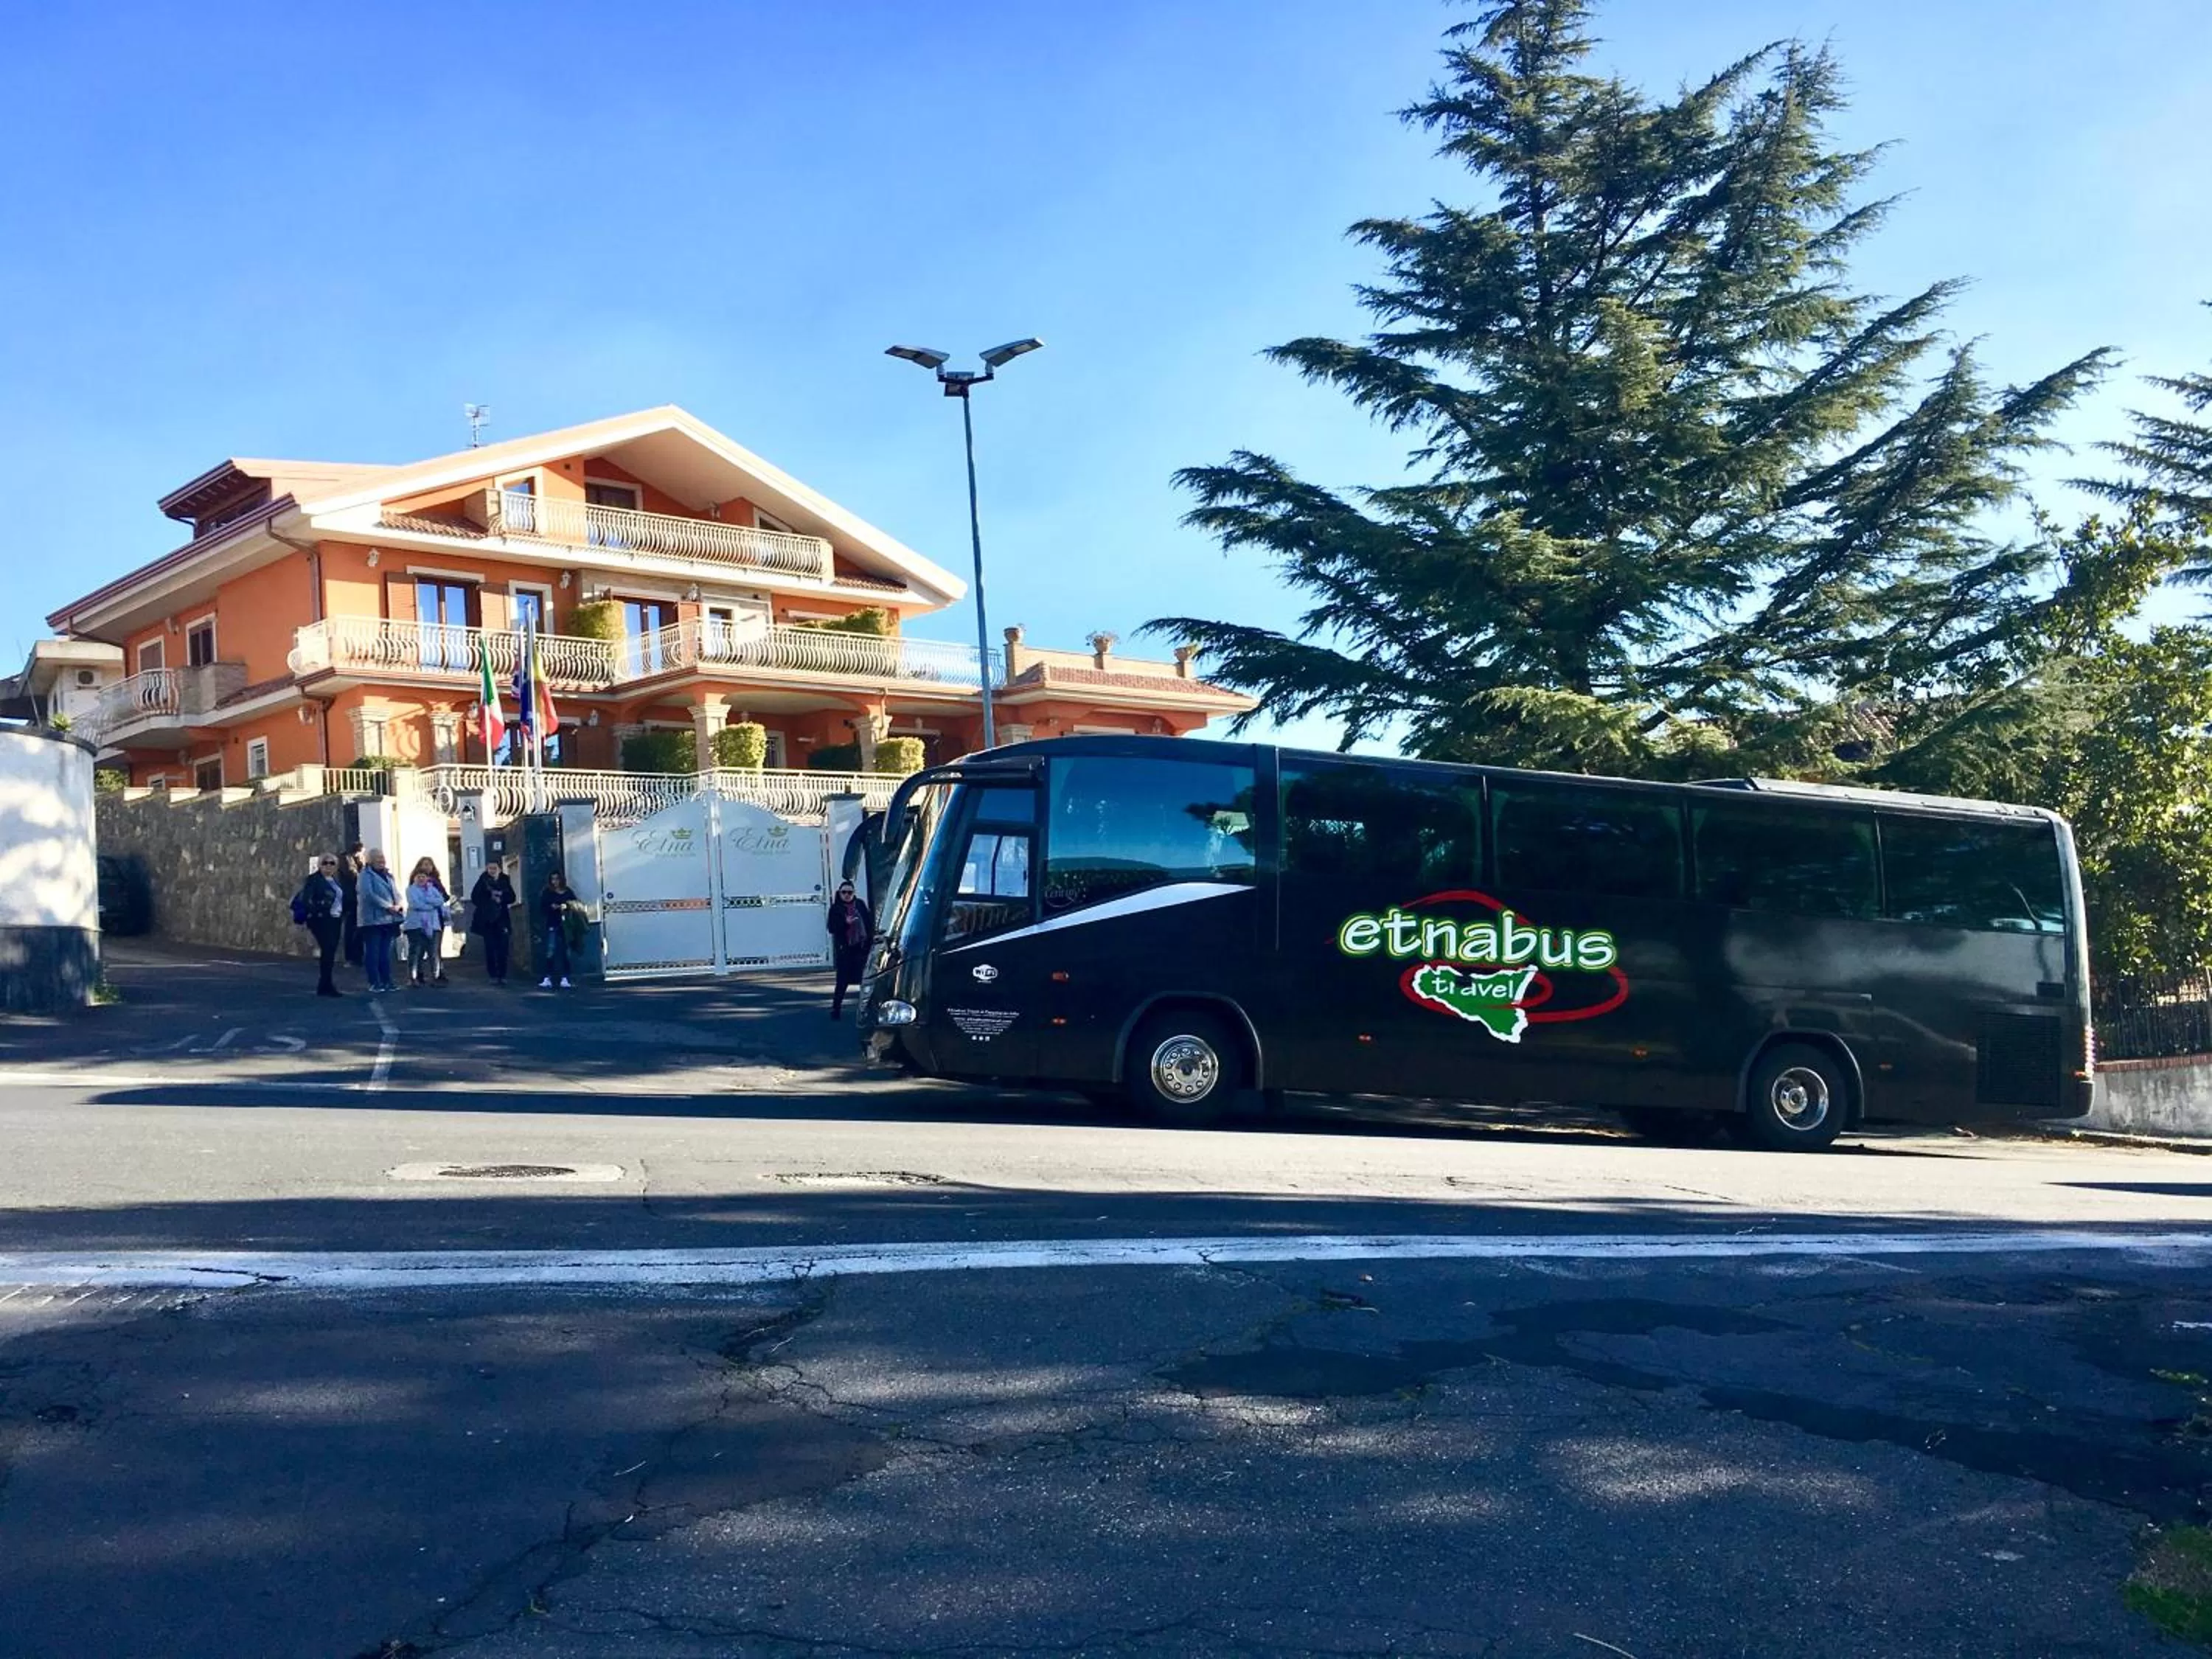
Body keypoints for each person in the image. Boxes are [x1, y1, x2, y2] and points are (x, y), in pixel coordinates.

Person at [294, 855, 345, 998]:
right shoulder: (314, 880)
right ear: (319, 865)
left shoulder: (336, 880)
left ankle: (325, 983)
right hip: (322, 919)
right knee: (327, 949)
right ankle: (326, 984)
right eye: (325, 863)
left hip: (335, 919)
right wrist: (319, 911)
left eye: (332, 863)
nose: (328, 866)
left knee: (330, 951)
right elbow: (307, 899)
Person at [356, 847, 405, 994]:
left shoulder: (388, 876)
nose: (381, 860)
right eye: (377, 858)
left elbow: (396, 892)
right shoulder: (365, 875)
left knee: (385, 953)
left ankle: (387, 981)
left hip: (389, 920)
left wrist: (399, 904)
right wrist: (387, 906)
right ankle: (374, 982)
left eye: (382, 857)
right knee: (373, 952)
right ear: (370, 860)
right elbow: (368, 895)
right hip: (373, 921)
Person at [825, 879, 874, 1020]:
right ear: (839, 893)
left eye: (849, 892)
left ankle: (867, 1008)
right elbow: (832, 928)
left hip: (861, 948)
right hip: (845, 948)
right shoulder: (836, 909)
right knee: (842, 980)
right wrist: (845, 924)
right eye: (844, 892)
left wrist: (870, 942)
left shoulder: (860, 905)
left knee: (866, 979)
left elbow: (868, 924)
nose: (847, 895)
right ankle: (836, 1009)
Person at [403, 857, 453, 988]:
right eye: (419, 876)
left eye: (424, 877)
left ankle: (436, 977)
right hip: (416, 924)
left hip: (433, 924)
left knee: (434, 951)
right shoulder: (411, 890)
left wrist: (428, 902)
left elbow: (441, 900)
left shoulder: (433, 888)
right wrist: (431, 905)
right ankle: (414, 977)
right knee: (416, 951)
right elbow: (415, 904)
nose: (421, 879)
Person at [468, 859, 518, 985]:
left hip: (502, 919)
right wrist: (488, 899)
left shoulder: (505, 880)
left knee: (503, 947)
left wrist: (501, 896)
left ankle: (503, 974)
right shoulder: (482, 881)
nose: (492, 871)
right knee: (490, 948)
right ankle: (493, 975)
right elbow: (475, 897)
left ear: (499, 869)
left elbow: (512, 897)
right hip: (487, 920)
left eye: (494, 868)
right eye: (490, 868)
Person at [537, 869, 575, 989]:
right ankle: (548, 977)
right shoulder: (547, 892)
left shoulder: (568, 891)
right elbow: (542, 907)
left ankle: (565, 977)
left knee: (566, 951)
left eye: (557, 879)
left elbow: (574, 904)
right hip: (552, 923)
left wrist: (566, 906)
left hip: (566, 924)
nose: (555, 882)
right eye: (553, 879)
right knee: (550, 950)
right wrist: (551, 907)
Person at [338, 844, 364, 968]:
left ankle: (357, 956)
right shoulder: (347, 860)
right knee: (351, 928)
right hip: (351, 899)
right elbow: (353, 876)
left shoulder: (353, 861)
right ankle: (352, 957)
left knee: (355, 928)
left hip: (354, 898)